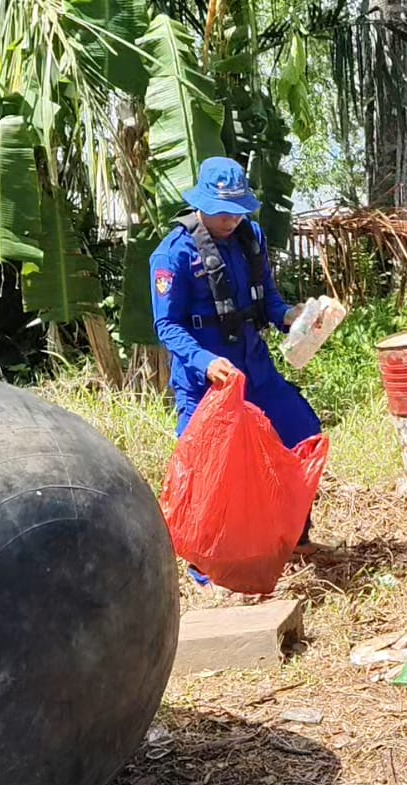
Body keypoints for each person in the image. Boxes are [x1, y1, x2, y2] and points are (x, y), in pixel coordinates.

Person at [151, 157, 323, 568]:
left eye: (238, 210)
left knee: (303, 434)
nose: (231, 219)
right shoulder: (173, 253)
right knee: (206, 470)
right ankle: (206, 562)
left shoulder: (251, 238)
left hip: (255, 368)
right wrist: (205, 361)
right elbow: (167, 326)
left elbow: (269, 301)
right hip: (205, 381)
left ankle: (293, 535)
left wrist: (290, 318)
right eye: (222, 210)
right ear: (201, 203)